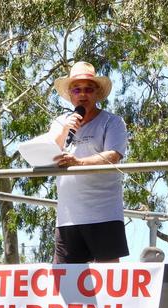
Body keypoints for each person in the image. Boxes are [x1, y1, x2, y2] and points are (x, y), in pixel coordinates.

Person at [48, 61, 129, 263]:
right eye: (77, 89)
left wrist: (78, 162)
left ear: (97, 93)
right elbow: (48, 151)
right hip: (67, 218)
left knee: (110, 283)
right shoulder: (60, 122)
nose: (82, 94)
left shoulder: (112, 121)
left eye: (88, 89)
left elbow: (113, 155)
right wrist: (65, 129)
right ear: (70, 94)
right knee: (64, 284)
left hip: (104, 214)